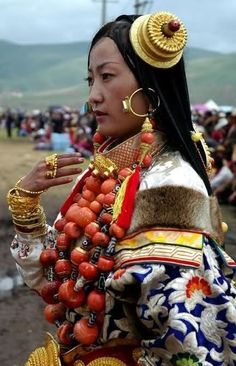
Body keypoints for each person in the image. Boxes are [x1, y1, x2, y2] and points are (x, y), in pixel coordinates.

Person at [7, 11, 236, 366]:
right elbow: (59, 284)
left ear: (151, 84)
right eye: (90, 79)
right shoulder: (102, 174)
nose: (93, 96)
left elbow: (188, 337)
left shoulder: (170, 183)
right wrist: (26, 207)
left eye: (107, 76)